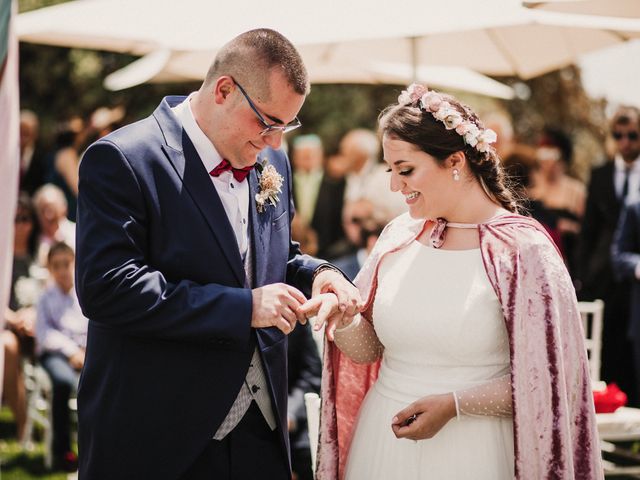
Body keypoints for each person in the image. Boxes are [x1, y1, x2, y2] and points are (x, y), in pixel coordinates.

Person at [75, 28, 360, 480]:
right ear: (225, 89)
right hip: (160, 433)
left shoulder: (272, 163)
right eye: (267, 122)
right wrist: (243, 307)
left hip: (261, 432)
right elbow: (108, 287)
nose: (274, 142)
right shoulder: (123, 158)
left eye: (285, 127)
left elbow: (274, 256)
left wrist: (318, 273)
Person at [307, 84, 601, 479]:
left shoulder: (523, 251)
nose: (395, 186)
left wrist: (456, 404)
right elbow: (370, 349)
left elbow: (551, 379)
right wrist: (344, 316)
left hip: (476, 451)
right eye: (390, 170)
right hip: (383, 446)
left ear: (456, 161)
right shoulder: (399, 237)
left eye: (406, 170)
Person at [577, 106, 640, 406]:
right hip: (603, 277)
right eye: (618, 135)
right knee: (606, 347)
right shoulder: (600, 174)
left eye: (632, 135)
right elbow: (588, 230)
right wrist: (581, 275)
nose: (625, 142)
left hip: (635, 277)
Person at [36, 241, 87, 472]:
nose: (62, 270)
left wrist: (85, 351)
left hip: (85, 352)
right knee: (63, 382)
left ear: (73, 263)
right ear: (50, 268)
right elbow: (44, 334)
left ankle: (92, 447)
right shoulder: (46, 298)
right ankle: (63, 450)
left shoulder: (83, 291)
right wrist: (71, 351)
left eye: (66, 264)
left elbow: (93, 326)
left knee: (96, 384)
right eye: (56, 266)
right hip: (56, 354)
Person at [2, 193, 40, 443]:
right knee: (7, 344)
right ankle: (22, 425)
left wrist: (35, 315)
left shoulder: (41, 252)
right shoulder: (3, 258)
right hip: (9, 327)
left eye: (26, 218)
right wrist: (14, 318)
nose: (20, 224)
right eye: (15, 219)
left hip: (41, 328)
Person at [291, 134, 345, 259]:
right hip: (294, 252)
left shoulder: (335, 182)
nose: (308, 159)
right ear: (295, 157)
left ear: (321, 156)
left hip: (328, 252)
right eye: (303, 156)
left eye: (312, 155)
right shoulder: (284, 182)